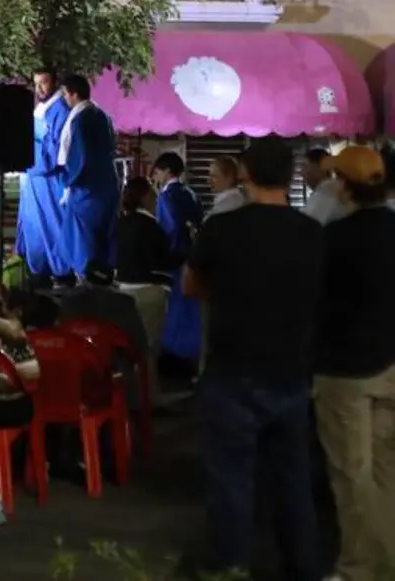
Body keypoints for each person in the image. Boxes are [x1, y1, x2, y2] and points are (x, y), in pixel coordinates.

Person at [184, 135, 323, 581]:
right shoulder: (312, 233)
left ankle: (229, 566)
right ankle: (303, 566)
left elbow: (191, 286)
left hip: (231, 371)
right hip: (290, 371)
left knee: (230, 480)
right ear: (292, 175)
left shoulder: (222, 228)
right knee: (293, 479)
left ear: (243, 173)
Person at [312, 145, 395, 580]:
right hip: (391, 366)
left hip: (345, 370)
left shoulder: (333, 239)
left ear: (345, 186)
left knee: (351, 475)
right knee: (387, 471)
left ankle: (361, 568)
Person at [54, 74, 119, 278]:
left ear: (73, 94)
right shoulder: (102, 115)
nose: (64, 99)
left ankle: (87, 282)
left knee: (83, 241)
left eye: (65, 94)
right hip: (106, 186)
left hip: (86, 190)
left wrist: (66, 180)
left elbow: (79, 157)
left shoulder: (81, 118)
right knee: (102, 241)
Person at [150, 151, 205, 363]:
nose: (155, 175)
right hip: (192, 254)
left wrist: (164, 252)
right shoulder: (189, 193)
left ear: (167, 171)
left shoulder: (166, 196)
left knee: (175, 307)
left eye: (158, 170)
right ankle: (192, 349)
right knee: (190, 307)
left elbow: (170, 227)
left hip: (175, 256)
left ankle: (176, 351)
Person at [113, 176, 173, 360]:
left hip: (122, 289)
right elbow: (160, 260)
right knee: (147, 350)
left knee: (127, 346)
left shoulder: (121, 223)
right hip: (149, 290)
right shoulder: (151, 227)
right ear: (145, 197)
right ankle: (147, 387)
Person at [18, 67, 69, 281]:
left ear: (55, 82)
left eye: (44, 82)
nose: (39, 88)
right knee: (35, 229)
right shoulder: (42, 108)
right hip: (33, 180)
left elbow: (52, 154)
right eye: (36, 82)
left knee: (52, 227)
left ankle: (60, 273)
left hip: (47, 182)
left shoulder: (59, 110)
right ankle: (38, 271)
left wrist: (25, 152)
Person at [303, 146, 346, 225]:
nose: (302, 173)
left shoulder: (325, 194)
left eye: (305, 166)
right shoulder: (339, 188)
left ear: (318, 167)